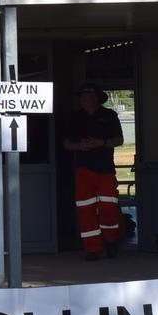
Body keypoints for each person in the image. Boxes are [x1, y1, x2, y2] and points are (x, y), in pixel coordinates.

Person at [63, 83, 124, 261]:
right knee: (85, 210)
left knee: (108, 208)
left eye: (88, 95)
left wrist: (101, 143)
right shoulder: (75, 118)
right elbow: (66, 143)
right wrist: (79, 146)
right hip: (83, 171)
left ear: (97, 97)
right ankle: (93, 249)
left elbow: (119, 140)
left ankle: (111, 241)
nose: (85, 99)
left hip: (106, 170)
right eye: (82, 96)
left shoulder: (110, 116)